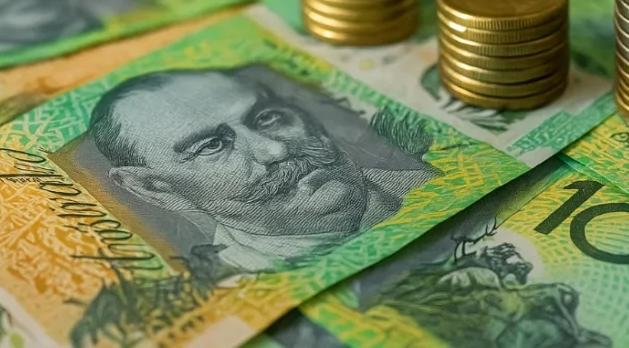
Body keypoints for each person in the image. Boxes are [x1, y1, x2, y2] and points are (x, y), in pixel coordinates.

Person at [88, 67, 433, 272]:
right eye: (211, 145)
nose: (275, 149)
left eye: (267, 118)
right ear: (154, 188)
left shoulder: (434, 185)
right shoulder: (232, 284)